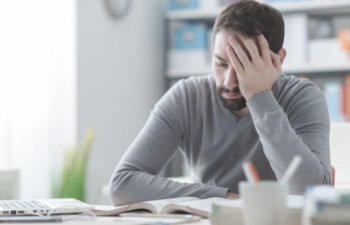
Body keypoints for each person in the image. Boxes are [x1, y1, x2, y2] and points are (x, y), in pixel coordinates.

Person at [109, 0, 332, 205]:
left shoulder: (302, 97)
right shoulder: (187, 97)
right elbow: (122, 185)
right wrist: (224, 197)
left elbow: (310, 192)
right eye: (220, 63)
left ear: (279, 60)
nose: (229, 81)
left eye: (244, 66)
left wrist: (260, 96)